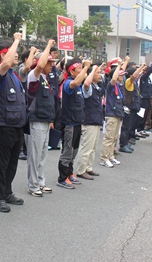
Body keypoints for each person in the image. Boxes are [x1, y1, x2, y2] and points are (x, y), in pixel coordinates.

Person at [0, 33, 26, 213]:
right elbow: (4, 64)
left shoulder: (14, 76)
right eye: (13, 53)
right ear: (3, 55)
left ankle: (6, 191)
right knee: (1, 163)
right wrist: (16, 40)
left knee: (12, 163)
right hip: (3, 125)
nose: (16, 56)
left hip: (16, 124)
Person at [26, 40, 55, 197]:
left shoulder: (46, 79)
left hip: (45, 120)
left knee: (43, 154)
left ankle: (41, 182)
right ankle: (33, 185)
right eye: (49, 62)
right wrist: (48, 47)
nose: (51, 65)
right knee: (35, 155)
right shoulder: (34, 76)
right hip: (36, 120)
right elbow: (39, 65)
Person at [57, 58, 90, 189]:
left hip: (77, 122)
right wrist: (86, 67)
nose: (82, 71)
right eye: (79, 69)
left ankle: (70, 173)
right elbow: (76, 83)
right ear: (72, 72)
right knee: (67, 151)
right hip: (69, 123)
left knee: (74, 151)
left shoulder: (79, 85)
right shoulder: (69, 83)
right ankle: (62, 178)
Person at [75, 63, 104, 180]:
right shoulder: (88, 86)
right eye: (97, 72)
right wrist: (91, 71)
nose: (100, 75)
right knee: (86, 147)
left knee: (93, 148)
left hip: (96, 120)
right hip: (89, 121)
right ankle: (81, 170)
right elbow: (86, 83)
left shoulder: (98, 87)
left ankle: (88, 167)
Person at [100, 63, 127, 168]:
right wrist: (119, 65)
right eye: (121, 74)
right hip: (111, 114)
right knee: (109, 137)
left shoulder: (120, 86)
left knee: (115, 137)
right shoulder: (111, 85)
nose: (122, 76)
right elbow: (114, 78)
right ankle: (104, 158)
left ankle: (110, 156)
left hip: (118, 114)